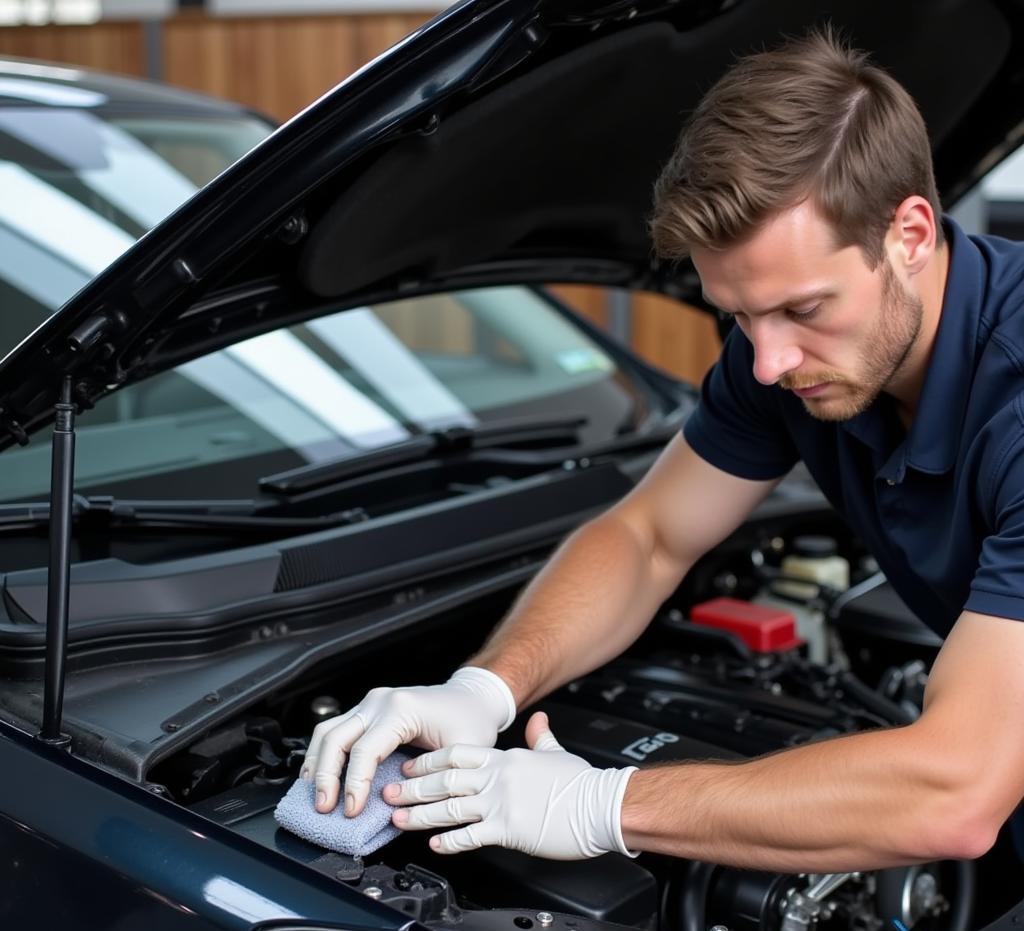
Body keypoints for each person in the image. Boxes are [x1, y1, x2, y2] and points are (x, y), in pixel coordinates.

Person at [302, 28, 1024, 872]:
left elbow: (957, 791)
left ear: (908, 233)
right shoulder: (784, 358)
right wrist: (484, 688)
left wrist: (600, 804)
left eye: (803, 308)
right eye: (737, 315)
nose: (767, 362)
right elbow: (649, 537)